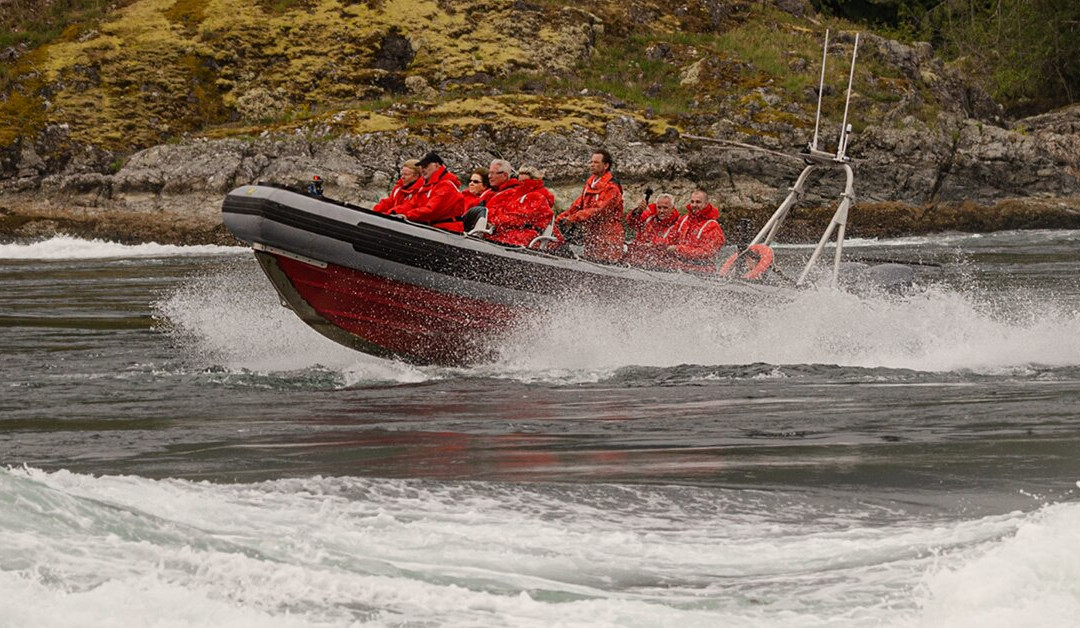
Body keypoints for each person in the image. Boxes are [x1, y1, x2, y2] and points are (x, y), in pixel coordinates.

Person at [555, 149, 624, 263]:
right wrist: (560, 218)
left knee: (603, 267)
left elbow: (598, 210)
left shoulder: (612, 188)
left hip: (608, 237)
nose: (592, 165)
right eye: (591, 162)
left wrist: (573, 218)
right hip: (592, 235)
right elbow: (577, 206)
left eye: (596, 162)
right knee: (589, 262)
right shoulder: (589, 184)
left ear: (606, 165)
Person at [479, 160, 558, 248]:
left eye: (524, 183)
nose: (521, 186)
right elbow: (504, 212)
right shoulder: (517, 196)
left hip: (521, 237)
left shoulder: (536, 197)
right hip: (508, 233)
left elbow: (518, 218)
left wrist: (494, 222)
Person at [393, 151, 466, 233]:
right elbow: (411, 204)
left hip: (447, 230)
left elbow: (431, 210)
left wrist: (407, 215)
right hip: (433, 227)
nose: (423, 169)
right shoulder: (427, 186)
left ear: (437, 165)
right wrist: (393, 212)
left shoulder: (446, 185)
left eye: (426, 166)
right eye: (422, 166)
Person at [666, 189, 726, 271]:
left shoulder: (713, 226)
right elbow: (670, 239)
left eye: (698, 202)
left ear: (706, 204)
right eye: (692, 202)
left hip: (701, 272)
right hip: (678, 268)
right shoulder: (684, 219)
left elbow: (707, 253)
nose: (694, 205)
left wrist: (679, 249)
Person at [624, 192, 681, 268]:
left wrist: (651, 243)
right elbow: (631, 223)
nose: (661, 211)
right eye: (659, 207)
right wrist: (637, 211)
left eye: (665, 208)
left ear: (672, 208)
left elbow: (669, 243)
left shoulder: (677, 224)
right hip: (636, 260)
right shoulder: (649, 216)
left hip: (659, 265)